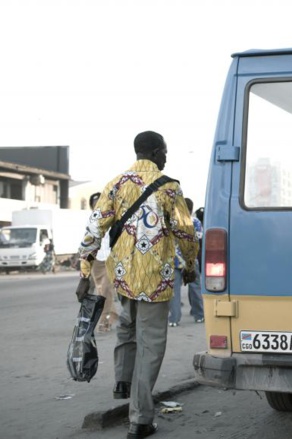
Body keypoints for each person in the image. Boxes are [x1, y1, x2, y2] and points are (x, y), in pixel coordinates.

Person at [77, 130, 198, 439]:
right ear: (156, 152)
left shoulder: (116, 184)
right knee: (151, 344)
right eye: (165, 152)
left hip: (124, 276)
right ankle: (140, 419)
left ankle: (122, 382)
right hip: (156, 280)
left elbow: (95, 227)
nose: (166, 157)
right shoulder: (170, 188)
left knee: (128, 328)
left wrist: (83, 270)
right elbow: (185, 233)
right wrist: (191, 267)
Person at [87, 192, 120, 333]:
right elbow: (87, 242)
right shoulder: (91, 220)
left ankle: (105, 321)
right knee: (101, 291)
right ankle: (111, 315)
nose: (97, 206)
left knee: (105, 289)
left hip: (111, 259)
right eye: (94, 204)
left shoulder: (114, 218)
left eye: (99, 203)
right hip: (96, 260)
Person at [168, 198, 204, 326]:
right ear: (191, 209)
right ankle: (199, 315)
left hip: (174, 260)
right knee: (195, 287)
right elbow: (199, 239)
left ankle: (174, 319)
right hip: (190, 259)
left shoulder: (172, 221)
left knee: (174, 290)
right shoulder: (195, 222)